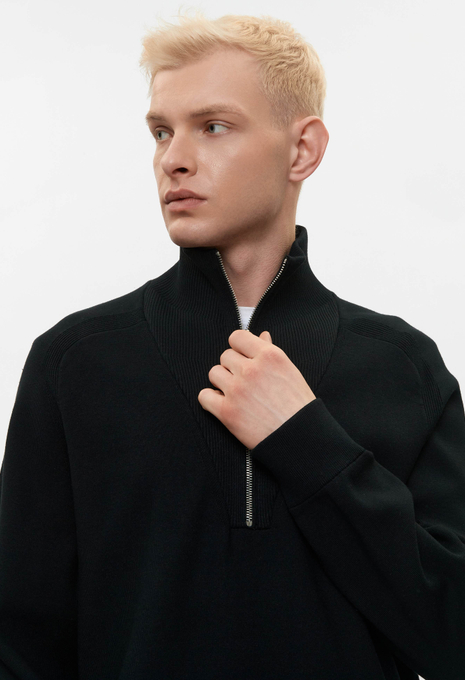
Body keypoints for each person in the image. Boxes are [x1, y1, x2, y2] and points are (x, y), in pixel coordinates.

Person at [0, 9, 464, 680]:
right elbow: (20, 643)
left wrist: (305, 441)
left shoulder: (403, 368)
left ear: (301, 150)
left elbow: (451, 637)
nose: (173, 159)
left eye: (213, 126)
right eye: (161, 131)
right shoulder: (74, 361)